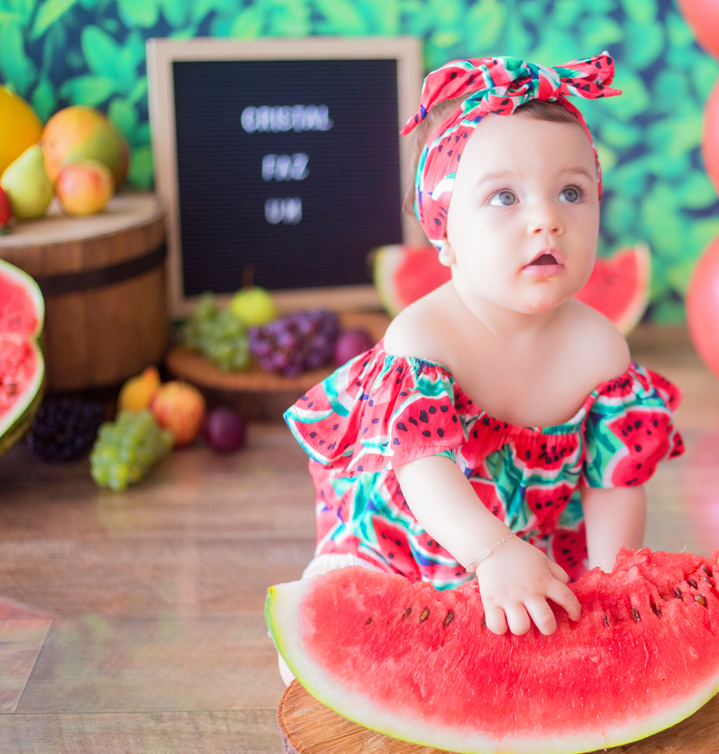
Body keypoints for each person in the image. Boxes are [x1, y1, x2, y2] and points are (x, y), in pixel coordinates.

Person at [279, 52, 683, 683]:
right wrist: (491, 551)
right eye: (503, 196)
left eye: (571, 192)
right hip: (414, 543)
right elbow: (425, 471)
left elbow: (614, 487)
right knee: (334, 637)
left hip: (539, 546)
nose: (546, 218)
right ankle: (336, 588)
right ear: (443, 230)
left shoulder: (602, 352)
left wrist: (612, 584)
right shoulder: (425, 340)